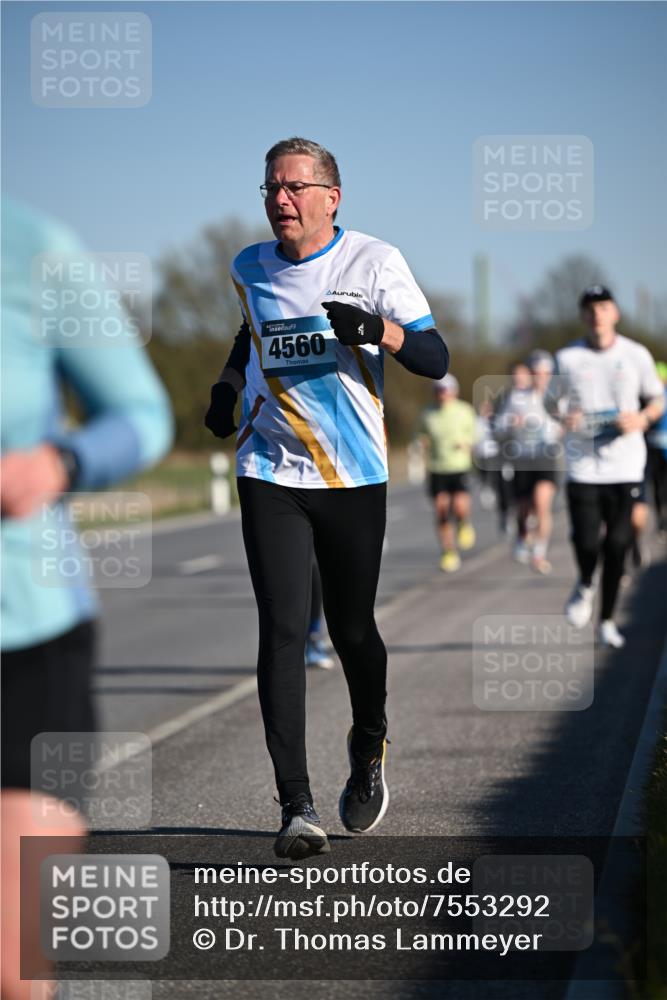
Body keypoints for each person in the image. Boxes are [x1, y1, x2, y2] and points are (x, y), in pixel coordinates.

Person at [204, 137, 448, 860]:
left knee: (351, 629)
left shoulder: (373, 261)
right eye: (271, 188)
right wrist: (226, 386)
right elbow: (250, 332)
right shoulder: (248, 266)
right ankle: (296, 807)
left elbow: (435, 358)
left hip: (350, 474)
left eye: (294, 188)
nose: (280, 200)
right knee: (282, 629)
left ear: (330, 197)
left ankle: (369, 740)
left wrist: (378, 330)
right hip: (269, 467)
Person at [1, 197, 173, 999]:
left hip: (23, 634)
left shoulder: (31, 249)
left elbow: (141, 416)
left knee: (10, 966)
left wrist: (58, 464)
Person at [552, 285, 664, 648]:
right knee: (587, 542)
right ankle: (586, 582)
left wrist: (642, 419)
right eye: (589, 308)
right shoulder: (567, 357)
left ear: (615, 312)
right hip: (583, 465)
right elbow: (552, 402)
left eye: (602, 307)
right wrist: (565, 416)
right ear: (582, 315)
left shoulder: (636, 354)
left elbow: (657, 398)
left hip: (625, 464)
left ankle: (607, 621)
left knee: (617, 544)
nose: (596, 314)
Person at [495, 351, 562, 574]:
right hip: (522, 458)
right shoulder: (516, 397)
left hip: (546, 456)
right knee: (524, 508)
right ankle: (523, 535)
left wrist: (562, 428)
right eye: (536, 373)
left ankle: (539, 553)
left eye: (545, 373)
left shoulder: (557, 398)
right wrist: (512, 422)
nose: (541, 377)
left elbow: (568, 425)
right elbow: (499, 427)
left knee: (542, 503)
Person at [416, 374, 477, 572]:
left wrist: (466, 443)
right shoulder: (427, 413)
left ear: (454, 391)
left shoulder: (464, 410)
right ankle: (448, 551)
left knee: (459, 506)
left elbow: (476, 434)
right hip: (437, 467)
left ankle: (463, 523)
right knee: (441, 510)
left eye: (446, 390)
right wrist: (421, 442)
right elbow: (419, 435)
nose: (442, 394)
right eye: (439, 390)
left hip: (459, 466)